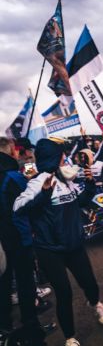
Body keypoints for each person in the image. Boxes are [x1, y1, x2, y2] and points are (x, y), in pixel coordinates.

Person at [13, 138, 103, 346]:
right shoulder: (37, 182)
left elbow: (80, 202)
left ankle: (96, 304)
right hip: (49, 250)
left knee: (90, 283)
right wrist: (43, 194)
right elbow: (18, 208)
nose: (64, 158)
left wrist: (90, 184)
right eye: (61, 155)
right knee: (64, 293)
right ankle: (70, 340)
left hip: (74, 245)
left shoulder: (65, 178)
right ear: (55, 157)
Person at [0, 137, 41, 334]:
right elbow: (31, 197)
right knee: (26, 281)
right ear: (10, 151)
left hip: (2, 240)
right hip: (17, 236)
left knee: (4, 283)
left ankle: (5, 327)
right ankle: (31, 325)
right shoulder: (13, 175)